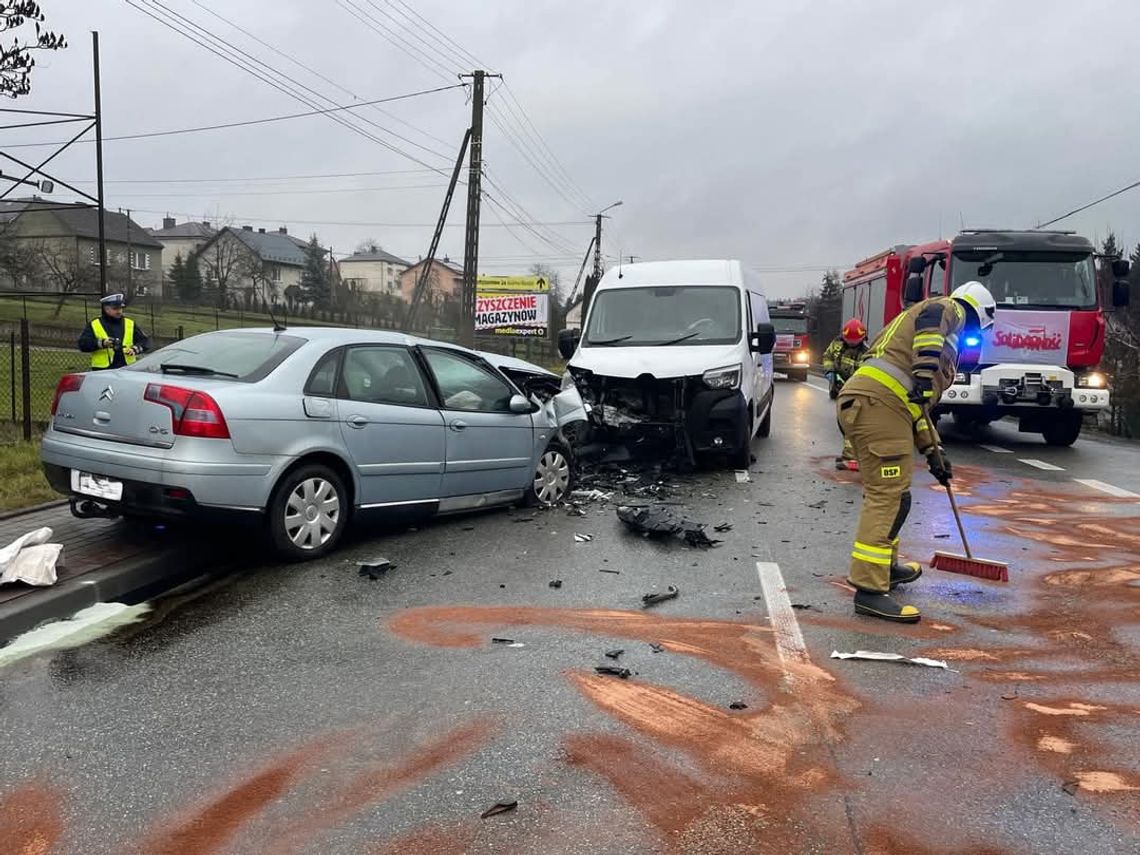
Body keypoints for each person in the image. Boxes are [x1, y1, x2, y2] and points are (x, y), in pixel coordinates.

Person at [836, 281, 996, 623]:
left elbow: (916, 412)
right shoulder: (947, 310)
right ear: (976, 314)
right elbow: (932, 328)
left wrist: (934, 451)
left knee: (897, 496)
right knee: (887, 495)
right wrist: (925, 373)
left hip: (881, 406)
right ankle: (869, 590)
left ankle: (886, 568)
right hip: (878, 405)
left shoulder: (921, 338)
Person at [822, 317, 869, 470]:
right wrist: (829, 371)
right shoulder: (837, 344)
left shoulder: (867, 353)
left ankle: (851, 458)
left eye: (855, 341)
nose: (852, 343)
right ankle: (852, 455)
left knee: (850, 423)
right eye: (849, 340)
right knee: (843, 423)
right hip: (840, 390)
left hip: (855, 392)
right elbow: (827, 356)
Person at [77, 293, 149, 370]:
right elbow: (83, 344)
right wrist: (102, 343)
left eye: (120, 308)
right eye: (115, 309)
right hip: (103, 370)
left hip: (127, 368)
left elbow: (145, 341)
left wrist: (135, 349)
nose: (119, 311)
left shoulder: (129, 323)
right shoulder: (95, 324)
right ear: (106, 309)